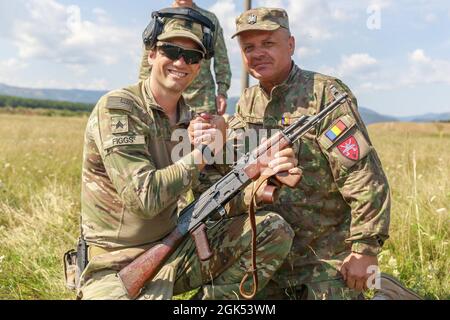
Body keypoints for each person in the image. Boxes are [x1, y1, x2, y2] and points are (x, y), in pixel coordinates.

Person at [75, 9, 297, 300]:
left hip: (175, 251)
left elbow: (216, 193)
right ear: (152, 54)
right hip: (113, 263)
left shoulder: (193, 121)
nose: (181, 62)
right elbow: (144, 198)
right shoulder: (119, 109)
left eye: (192, 57)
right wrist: (203, 152)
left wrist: (262, 179)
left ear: (198, 67)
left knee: (272, 230)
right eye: (171, 50)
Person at [192, 7, 394, 300]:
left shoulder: (323, 95)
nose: (258, 53)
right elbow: (236, 172)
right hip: (265, 255)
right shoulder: (247, 102)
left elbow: (363, 177)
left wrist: (364, 250)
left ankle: (390, 293)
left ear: (291, 44)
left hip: (323, 260)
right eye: (249, 47)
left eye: (268, 43)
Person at [138, 0, 231, 116]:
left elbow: (221, 58)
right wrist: (144, 95)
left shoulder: (209, 20)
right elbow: (149, 57)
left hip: (202, 101)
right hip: (165, 101)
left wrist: (222, 92)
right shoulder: (162, 17)